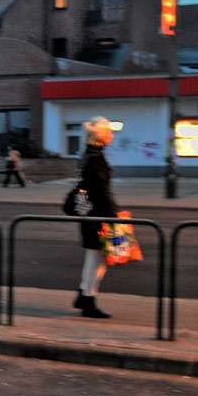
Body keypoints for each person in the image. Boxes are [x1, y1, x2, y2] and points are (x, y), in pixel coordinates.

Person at [75, 117, 119, 318]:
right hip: (97, 216)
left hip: (90, 214)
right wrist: (113, 217)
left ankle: (84, 296)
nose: (112, 135)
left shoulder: (89, 155)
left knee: (94, 259)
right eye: (109, 132)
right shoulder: (95, 159)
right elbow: (101, 192)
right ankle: (88, 302)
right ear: (101, 136)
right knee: (99, 260)